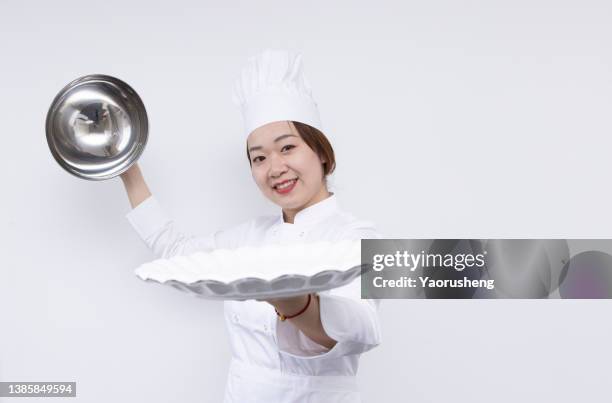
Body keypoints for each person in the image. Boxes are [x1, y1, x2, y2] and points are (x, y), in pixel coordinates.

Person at [120, 49, 382, 402]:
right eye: (259, 157)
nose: (274, 168)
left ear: (321, 151)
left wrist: (292, 300)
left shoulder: (360, 236)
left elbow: (362, 328)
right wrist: (126, 167)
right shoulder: (250, 238)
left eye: (287, 147)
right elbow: (175, 251)